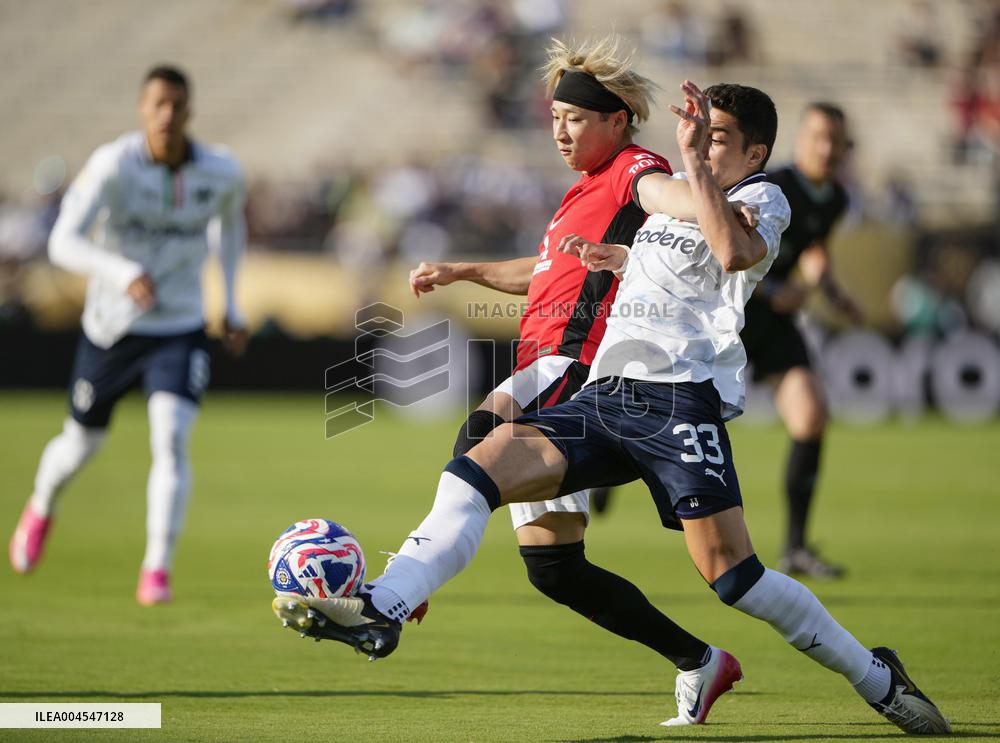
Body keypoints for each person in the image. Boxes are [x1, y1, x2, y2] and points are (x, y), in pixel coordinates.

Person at [275, 81, 951, 736]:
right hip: (604, 397)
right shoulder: (678, 207)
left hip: (678, 404)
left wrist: (689, 164)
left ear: (754, 154)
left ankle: (875, 675)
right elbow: (672, 261)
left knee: (735, 577)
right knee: (478, 464)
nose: (706, 148)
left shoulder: (762, 198)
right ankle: (381, 605)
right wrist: (617, 257)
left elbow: (734, 252)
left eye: (721, 140)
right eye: (701, 136)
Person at [402, 37, 754, 725]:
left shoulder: (634, 168)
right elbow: (544, 276)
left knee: (480, 432)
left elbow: (672, 196)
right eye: (554, 115)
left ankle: (404, 583)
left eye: (573, 116)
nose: (559, 129)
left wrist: (716, 206)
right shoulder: (580, 194)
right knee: (555, 570)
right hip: (545, 362)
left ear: (616, 120)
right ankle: (700, 660)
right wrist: (464, 271)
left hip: (575, 367)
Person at [8, 65, 248, 606]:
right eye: (158, 104)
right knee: (80, 443)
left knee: (171, 438)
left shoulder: (221, 170)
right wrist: (120, 272)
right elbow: (62, 243)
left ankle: (156, 568)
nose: (167, 114)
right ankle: (42, 505)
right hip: (113, 330)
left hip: (180, 327)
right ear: (142, 109)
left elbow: (230, 227)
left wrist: (229, 304)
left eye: (177, 105)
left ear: (189, 112)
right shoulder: (113, 165)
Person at [741, 102, 863, 578]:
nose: (827, 148)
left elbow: (813, 249)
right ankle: (613, 466)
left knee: (811, 416)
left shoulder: (835, 199)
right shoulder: (772, 189)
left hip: (773, 325)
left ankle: (795, 549)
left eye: (836, 140)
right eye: (819, 137)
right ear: (800, 141)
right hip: (731, 317)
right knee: (668, 418)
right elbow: (729, 250)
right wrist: (774, 288)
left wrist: (832, 292)